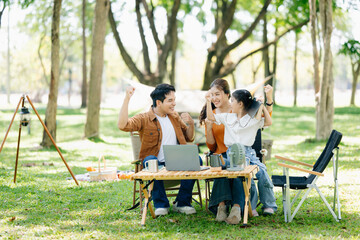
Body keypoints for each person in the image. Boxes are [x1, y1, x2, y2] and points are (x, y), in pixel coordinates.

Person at [199, 79, 277, 225]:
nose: (230, 104)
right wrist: (208, 102)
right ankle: (222, 207)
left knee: (251, 172)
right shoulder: (228, 117)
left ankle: (245, 208)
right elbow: (210, 118)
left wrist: (262, 104)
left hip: (247, 153)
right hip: (229, 153)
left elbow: (267, 121)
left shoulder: (251, 119)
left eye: (233, 101)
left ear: (238, 103)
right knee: (222, 170)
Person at [118, 83, 197, 216]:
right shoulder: (144, 118)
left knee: (197, 160)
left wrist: (191, 124)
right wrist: (127, 99)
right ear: (159, 102)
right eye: (170, 100)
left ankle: (182, 202)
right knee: (150, 160)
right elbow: (122, 125)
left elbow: (189, 138)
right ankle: (161, 204)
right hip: (155, 164)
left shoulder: (174, 116)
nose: (174, 104)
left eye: (174, 100)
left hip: (177, 162)